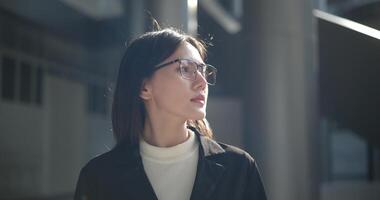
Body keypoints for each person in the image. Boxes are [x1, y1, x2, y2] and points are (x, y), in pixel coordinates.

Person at [74, 24, 267, 200]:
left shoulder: (239, 168)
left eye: (203, 70)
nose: (202, 82)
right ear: (144, 88)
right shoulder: (99, 177)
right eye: (186, 68)